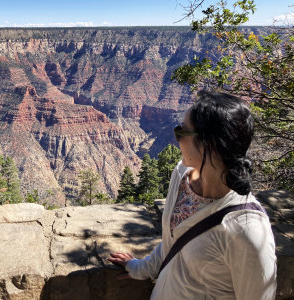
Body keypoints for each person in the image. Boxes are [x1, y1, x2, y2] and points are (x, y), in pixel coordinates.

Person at [108, 90, 277, 300]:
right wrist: (139, 268)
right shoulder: (181, 175)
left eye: (182, 132)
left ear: (210, 145)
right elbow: (173, 242)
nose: (176, 138)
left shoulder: (247, 230)